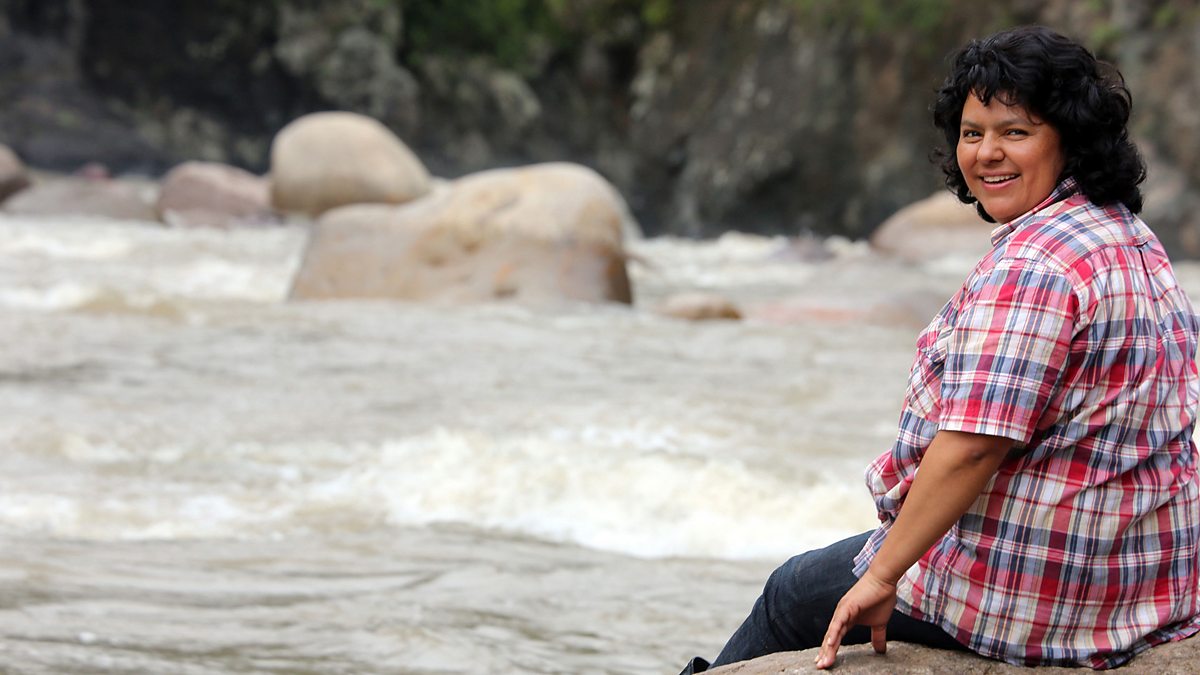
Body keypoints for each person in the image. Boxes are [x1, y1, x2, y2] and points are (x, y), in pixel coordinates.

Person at [679, 25, 1200, 673]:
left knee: (791, 593)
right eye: (972, 132)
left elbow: (976, 444)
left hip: (1040, 586)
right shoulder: (1127, 235)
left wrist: (883, 574)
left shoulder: (1036, 266)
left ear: (1070, 138)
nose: (987, 153)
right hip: (1141, 575)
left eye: (1015, 131)